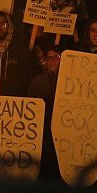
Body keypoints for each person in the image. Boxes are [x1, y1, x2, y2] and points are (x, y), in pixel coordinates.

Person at [27, 44, 64, 179]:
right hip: (44, 138)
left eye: (57, 57)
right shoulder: (38, 83)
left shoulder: (71, 81)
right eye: (49, 58)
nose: (53, 61)